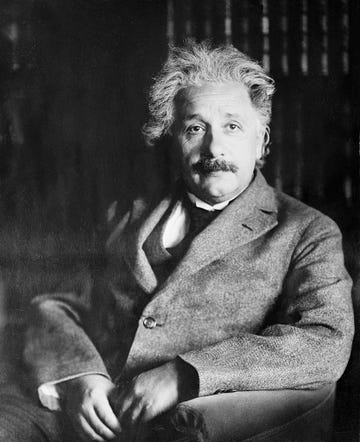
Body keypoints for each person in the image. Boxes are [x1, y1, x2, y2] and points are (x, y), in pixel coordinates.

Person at [0, 40, 355, 442]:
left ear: (261, 141)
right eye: (194, 128)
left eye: (232, 126)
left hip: (180, 423)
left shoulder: (308, 231)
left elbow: (325, 340)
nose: (214, 147)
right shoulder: (124, 215)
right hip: (81, 411)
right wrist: (79, 375)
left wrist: (184, 375)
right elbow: (57, 302)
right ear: (172, 140)